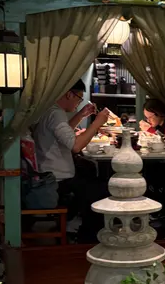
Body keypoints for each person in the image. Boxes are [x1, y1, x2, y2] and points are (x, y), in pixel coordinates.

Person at [32, 79, 110, 240]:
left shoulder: (51, 110)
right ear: (69, 94)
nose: (79, 103)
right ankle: (87, 238)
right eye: (79, 98)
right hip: (56, 180)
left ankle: (77, 228)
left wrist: (81, 114)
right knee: (102, 190)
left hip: (51, 175)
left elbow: (63, 133)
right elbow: (75, 146)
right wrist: (97, 123)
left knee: (91, 175)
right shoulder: (56, 113)